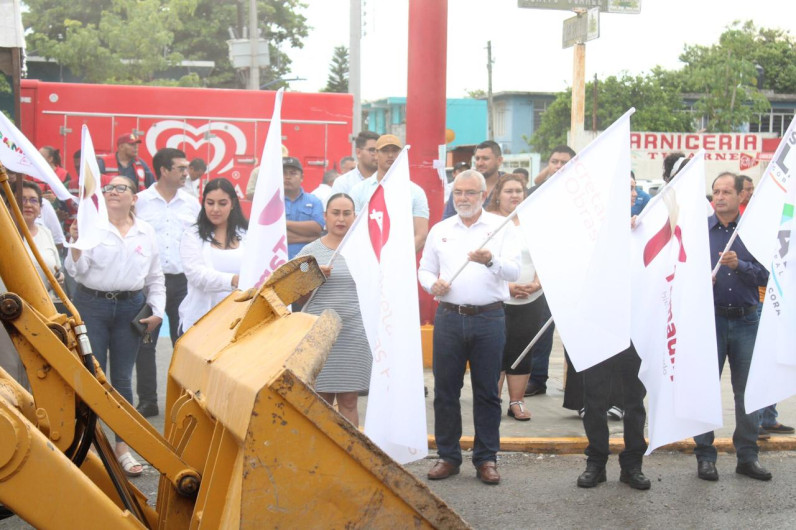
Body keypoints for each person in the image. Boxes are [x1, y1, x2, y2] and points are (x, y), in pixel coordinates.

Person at [419, 169, 520, 485]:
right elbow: (423, 269)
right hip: (449, 317)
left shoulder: (499, 227)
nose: (463, 198)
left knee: (487, 392)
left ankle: (486, 458)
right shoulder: (440, 229)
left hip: (489, 318)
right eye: (458, 193)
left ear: (483, 196)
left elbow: (515, 271)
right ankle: (448, 456)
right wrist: (431, 284)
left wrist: (490, 260)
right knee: (446, 391)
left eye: (470, 193)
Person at [64, 175, 165, 477]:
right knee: (90, 375)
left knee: (122, 379)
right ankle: (89, 444)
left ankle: (123, 445)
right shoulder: (91, 227)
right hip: (91, 304)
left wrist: (157, 310)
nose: (113, 192)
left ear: (134, 197)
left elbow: (155, 277)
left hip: (130, 307)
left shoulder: (146, 232)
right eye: (108, 188)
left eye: (121, 188)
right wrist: (76, 245)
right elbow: (76, 272)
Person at [575, 175, 650, 491]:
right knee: (595, 402)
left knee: (634, 402)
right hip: (599, 328)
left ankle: (632, 465)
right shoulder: (590, 232)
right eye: (625, 187)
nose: (632, 193)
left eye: (633, 188)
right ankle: (596, 462)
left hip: (637, 331)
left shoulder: (645, 227)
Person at [695, 172, 771, 482]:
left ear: (741, 196)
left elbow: (767, 275)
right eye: (716, 191)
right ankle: (704, 456)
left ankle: (747, 456)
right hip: (710, 319)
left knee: (748, 391)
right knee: (704, 388)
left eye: (727, 191)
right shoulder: (700, 231)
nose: (720, 196)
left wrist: (740, 266)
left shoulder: (753, 232)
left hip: (746, 319)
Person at [134, 147, 200, 418]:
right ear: (163, 170)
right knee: (145, 342)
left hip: (183, 282)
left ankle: (185, 397)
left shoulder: (191, 203)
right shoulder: (140, 202)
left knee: (183, 342)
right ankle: (148, 400)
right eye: (181, 168)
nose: (187, 173)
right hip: (150, 283)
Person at [297, 193, 371, 426]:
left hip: (354, 334)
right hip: (320, 334)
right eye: (335, 213)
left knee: (349, 401)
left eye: (346, 213)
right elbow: (297, 297)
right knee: (320, 400)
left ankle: (351, 456)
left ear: (355, 217)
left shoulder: (365, 250)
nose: (341, 219)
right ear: (325, 217)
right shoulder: (309, 251)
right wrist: (314, 277)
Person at [485, 174, 541, 422]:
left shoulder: (534, 223)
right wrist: (508, 287)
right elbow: (483, 262)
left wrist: (536, 284)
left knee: (523, 349)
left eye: (519, 190)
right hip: (496, 298)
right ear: (498, 194)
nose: (514, 195)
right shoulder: (488, 224)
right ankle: (491, 401)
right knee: (495, 350)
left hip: (531, 297)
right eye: (509, 190)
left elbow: (545, 256)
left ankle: (516, 402)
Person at [179, 178, 248, 332]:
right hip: (203, 321)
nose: (215, 209)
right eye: (210, 203)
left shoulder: (248, 234)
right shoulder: (192, 235)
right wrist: (233, 280)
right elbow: (196, 274)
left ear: (233, 204)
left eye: (222, 203)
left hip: (241, 320)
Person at [349, 134, 430, 252]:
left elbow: (421, 235)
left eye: (395, 151)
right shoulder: (359, 190)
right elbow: (353, 230)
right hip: (367, 258)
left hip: (401, 261)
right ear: (376, 154)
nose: (390, 155)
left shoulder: (415, 192)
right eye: (385, 151)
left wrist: (399, 257)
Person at [15, 181, 66, 313]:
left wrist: (59, 279)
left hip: (44, 308)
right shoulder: (4, 234)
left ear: (40, 208)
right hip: (11, 308)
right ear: (11, 204)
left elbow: (56, 269)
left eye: (33, 200)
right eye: (22, 199)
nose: (28, 204)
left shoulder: (46, 233)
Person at [442, 141, 503, 220]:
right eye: (477, 158)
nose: (480, 163)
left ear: (499, 160)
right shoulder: (462, 184)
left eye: (485, 158)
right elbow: (448, 220)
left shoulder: (510, 185)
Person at [283, 157, 325, 259]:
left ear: (302, 177)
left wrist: (285, 223)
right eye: (284, 173)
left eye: (293, 173)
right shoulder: (272, 203)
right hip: (278, 260)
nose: (287, 177)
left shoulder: (314, 201)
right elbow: (273, 235)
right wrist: (308, 238)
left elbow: (317, 228)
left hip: (307, 261)